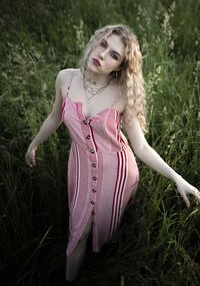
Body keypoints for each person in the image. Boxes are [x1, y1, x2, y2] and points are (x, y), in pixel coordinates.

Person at [25, 24, 200, 281]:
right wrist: (34, 144)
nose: (103, 54)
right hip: (81, 168)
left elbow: (140, 146)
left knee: (108, 222)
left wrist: (177, 178)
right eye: (103, 44)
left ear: (119, 67)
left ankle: (107, 248)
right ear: (96, 41)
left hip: (118, 172)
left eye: (114, 55)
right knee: (79, 232)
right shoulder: (66, 79)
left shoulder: (121, 95)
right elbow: (54, 117)